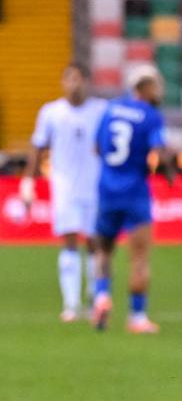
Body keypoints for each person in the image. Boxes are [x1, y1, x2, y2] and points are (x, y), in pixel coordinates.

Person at [20, 64, 107, 321]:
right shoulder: (52, 112)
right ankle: (71, 303)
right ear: (63, 82)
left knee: (94, 242)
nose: (74, 84)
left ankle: (94, 299)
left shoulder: (100, 110)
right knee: (69, 239)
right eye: (70, 79)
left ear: (87, 82)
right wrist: (28, 180)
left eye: (79, 79)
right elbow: (37, 147)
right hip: (65, 186)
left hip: (94, 185)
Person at [91, 65, 173, 333]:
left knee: (103, 250)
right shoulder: (151, 117)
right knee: (139, 257)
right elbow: (159, 155)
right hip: (135, 193)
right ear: (146, 87)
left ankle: (101, 296)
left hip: (106, 190)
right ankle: (137, 317)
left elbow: (97, 147)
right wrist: (169, 172)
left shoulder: (110, 110)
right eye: (156, 85)